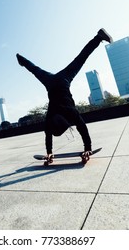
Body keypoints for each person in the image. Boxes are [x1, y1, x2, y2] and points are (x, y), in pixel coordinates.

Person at [16, 28, 113, 163]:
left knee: (78, 60)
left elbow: (81, 126)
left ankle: (22, 60)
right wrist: (50, 151)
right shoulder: (51, 116)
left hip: (61, 80)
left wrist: (87, 147)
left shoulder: (70, 112)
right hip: (53, 81)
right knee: (39, 69)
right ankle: (21, 59)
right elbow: (49, 134)